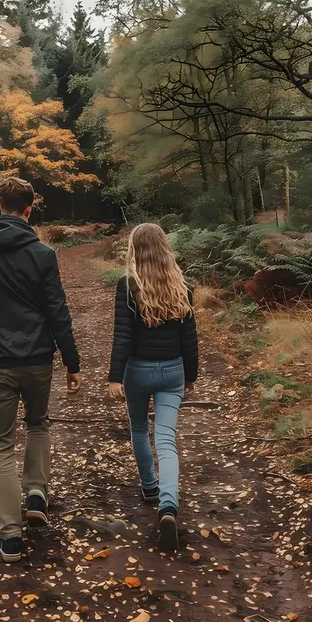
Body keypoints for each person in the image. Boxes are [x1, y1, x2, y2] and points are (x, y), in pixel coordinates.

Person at [0, 177, 81, 563]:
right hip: (38, 358)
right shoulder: (42, 253)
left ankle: (10, 536)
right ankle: (37, 493)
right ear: (29, 210)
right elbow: (57, 311)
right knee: (38, 423)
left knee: (1, 444)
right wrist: (71, 362)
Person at [108, 223, 198, 554]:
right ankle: (168, 506)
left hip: (137, 371)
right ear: (164, 248)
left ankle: (149, 486)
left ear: (135, 249)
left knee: (138, 429)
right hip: (173, 370)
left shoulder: (128, 286)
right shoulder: (182, 285)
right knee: (166, 439)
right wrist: (191, 374)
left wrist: (114, 377)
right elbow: (189, 336)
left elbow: (123, 336)